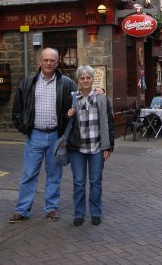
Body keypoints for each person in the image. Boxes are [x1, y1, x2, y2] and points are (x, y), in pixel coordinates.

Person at [9, 48, 77, 223]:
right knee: (29, 174)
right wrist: (25, 129)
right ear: (40, 62)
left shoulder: (67, 83)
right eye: (45, 60)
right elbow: (17, 111)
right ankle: (22, 210)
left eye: (52, 60)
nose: (48, 63)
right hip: (35, 136)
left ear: (57, 62)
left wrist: (98, 91)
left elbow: (80, 100)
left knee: (54, 175)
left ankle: (52, 208)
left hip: (55, 136)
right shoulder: (27, 83)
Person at [67, 65, 114, 226]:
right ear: (78, 80)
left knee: (95, 181)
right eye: (82, 78)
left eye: (88, 78)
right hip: (77, 149)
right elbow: (63, 123)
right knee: (79, 182)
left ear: (93, 79)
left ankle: (95, 212)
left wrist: (107, 147)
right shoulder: (72, 98)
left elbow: (108, 123)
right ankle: (79, 213)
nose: (85, 80)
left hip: (96, 148)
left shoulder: (101, 98)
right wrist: (67, 115)